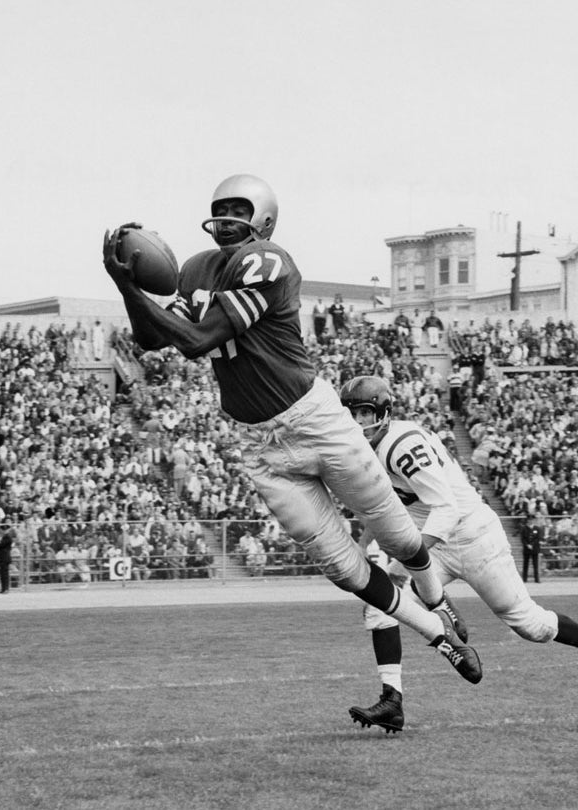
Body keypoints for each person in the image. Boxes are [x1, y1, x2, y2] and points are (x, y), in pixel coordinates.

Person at [102, 174, 479, 683]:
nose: (229, 217)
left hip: (312, 418)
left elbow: (195, 339)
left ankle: (437, 598)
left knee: (394, 531)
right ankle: (436, 635)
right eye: (222, 207)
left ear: (264, 217)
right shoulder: (195, 269)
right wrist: (126, 286)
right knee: (344, 569)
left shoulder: (269, 259)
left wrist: (133, 289)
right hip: (257, 441)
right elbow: (150, 338)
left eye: (240, 207)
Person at [339, 375, 578, 734]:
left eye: (365, 413)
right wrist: (364, 541)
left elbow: (445, 508)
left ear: (383, 412)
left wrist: (411, 553)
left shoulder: (401, 444)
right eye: (351, 414)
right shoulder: (366, 450)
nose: (357, 423)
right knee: (380, 604)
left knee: (530, 625)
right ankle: (392, 700)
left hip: (472, 536)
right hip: (432, 539)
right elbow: (380, 503)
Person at [521, 518, 543, 584]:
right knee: (525, 564)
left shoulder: (537, 528)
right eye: (529, 520)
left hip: (535, 548)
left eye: (531, 520)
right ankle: (524, 578)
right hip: (527, 549)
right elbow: (522, 538)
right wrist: (527, 545)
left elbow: (538, 538)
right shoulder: (524, 528)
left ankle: (537, 579)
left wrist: (532, 544)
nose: (530, 521)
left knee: (535, 564)